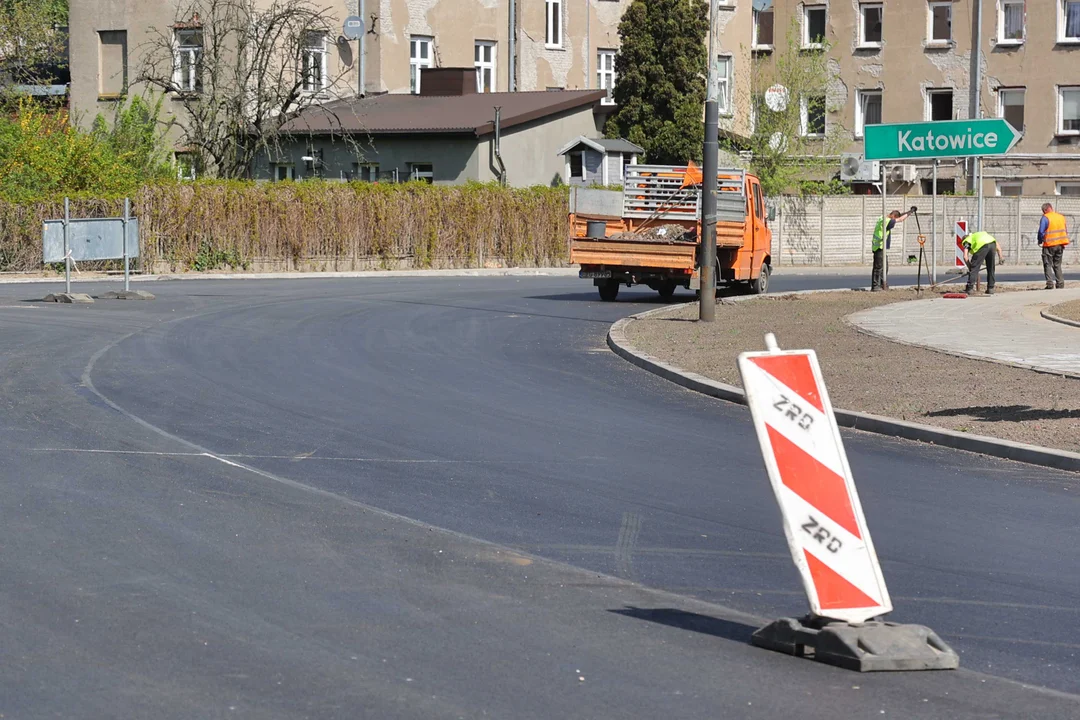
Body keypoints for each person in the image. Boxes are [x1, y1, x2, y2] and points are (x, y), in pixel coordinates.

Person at [870, 207, 915, 291]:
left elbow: (899, 216)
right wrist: (911, 212)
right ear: (893, 216)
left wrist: (908, 211)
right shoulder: (888, 221)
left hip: (879, 246)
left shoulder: (883, 218)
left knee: (884, 266)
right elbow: (900, 219)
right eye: (895, 218)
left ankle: (882, 284)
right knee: (879, 267)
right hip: (879, 246)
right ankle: (875, 286)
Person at [962, 230, 1004, 295]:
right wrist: (1001, 258)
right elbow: (998, 247)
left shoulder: (967, 241)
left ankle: (970, 288)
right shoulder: (981, 236)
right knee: (991, 267)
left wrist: (971, 267)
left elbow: (965, 256)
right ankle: (991, 288)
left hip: (982, 246)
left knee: (975, 268)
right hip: (992, 244)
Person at [1038, 203, 1070, 289]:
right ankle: (1060, 284)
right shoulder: (1061, 217)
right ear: (1051, 208)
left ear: (1045, 210)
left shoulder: (1045, 217)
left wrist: (1040, 240)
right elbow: (1065, 230)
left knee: (1047, 264)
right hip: (1060, 244)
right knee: (1057, 265)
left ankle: (1050, 284)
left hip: (1049, 245)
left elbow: (1041, 232)